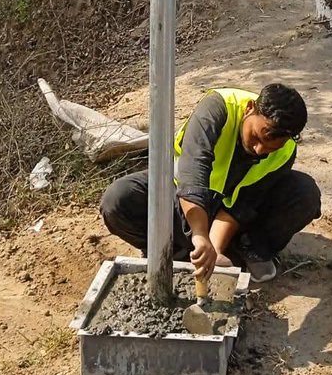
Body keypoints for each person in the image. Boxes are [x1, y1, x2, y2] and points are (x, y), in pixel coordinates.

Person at [100, 83, 320, 283]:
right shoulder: (216, 109)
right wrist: (199, 235)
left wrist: (213, 246)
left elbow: (242, 204)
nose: (260, 150)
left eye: (272, 146)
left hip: (229, 216)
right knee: (118, 199)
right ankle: (175, 251)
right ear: (250, 109)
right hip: (182, 196)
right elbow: (192, 175)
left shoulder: (286, 151)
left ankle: (246, 249)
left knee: (304, 193)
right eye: (256, 137)